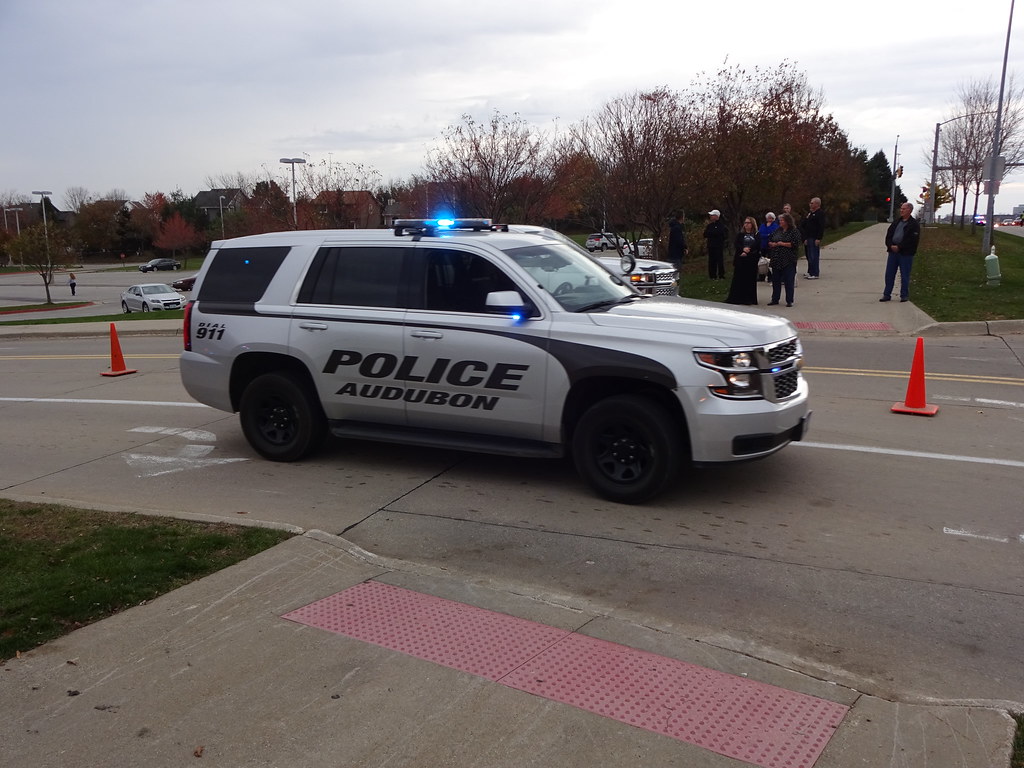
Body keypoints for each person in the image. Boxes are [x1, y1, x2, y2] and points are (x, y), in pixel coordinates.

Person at [881, 202, 920, 302]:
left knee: (905, 275)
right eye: (901, 208)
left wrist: (900, 247)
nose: (901, 210)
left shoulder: (914, 224)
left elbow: (912, 240)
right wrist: (890, 245)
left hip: (905, 254)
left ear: (910, 211)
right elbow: (889, 235)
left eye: (904, 209)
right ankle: (886, 294)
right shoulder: (896, 222)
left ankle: (904, 295)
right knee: (889, 274)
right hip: (893, 253)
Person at [767, 212, 800, 307]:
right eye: (780, 220)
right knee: (776, 280)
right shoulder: (778, 230)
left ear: (787, 221)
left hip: (788, 259)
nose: (780, 222)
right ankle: (775, 299)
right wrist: (772, 244)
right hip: (776, 258)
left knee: (788, 280)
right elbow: (771, 238)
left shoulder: (794, 231)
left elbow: (795, 244)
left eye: (782, 220)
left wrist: (782, 244)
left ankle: (789, 300)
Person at [725, 217, 760, 305]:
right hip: (741, 258)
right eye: (745, 223)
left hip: (751, 259)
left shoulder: (756, 234)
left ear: (752, 224)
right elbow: (737, 244)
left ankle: (748, 299)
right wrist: (743, 250)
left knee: (749, 279)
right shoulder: (740, 235)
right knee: (738, 279)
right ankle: (736, 298)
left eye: (748, 223)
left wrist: (749, 250)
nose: (746, 224)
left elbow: (757, 245)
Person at [802, 197, 825, 279]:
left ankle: (815, 273)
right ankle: (810, 271)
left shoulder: (820, 213)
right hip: (808, 237)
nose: (810, 204)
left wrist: (818, 238)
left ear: (817, 204)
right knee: (809, 256)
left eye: (812, 203)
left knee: (814, 255)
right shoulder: (810, 213)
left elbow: (821, 226)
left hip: (814, 237)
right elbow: (805, 224)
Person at [703, 209, 728, 279]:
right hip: (711, 246)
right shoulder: (709, 226)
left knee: (720, 261)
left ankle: (721, 275)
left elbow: (722, 234)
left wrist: (713, 233)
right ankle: (712, 275)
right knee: (711, 261)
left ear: (716, 216)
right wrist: (713, 233)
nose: (710, 216)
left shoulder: (721, 225)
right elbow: (705, 234)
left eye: (712, 215)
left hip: (719, 246)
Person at [757, 212, 778, 282]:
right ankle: (761, 276)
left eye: (771, 218)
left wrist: (767, 236)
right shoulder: (763, 225)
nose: (770, 219)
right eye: (769, 218)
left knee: (770, 262)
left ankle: (770, 276)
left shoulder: (775, 226)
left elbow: (774, 234)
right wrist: (767, 235)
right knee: (761, 262)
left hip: (771, 246)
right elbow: (760, 234)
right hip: (762, 245)